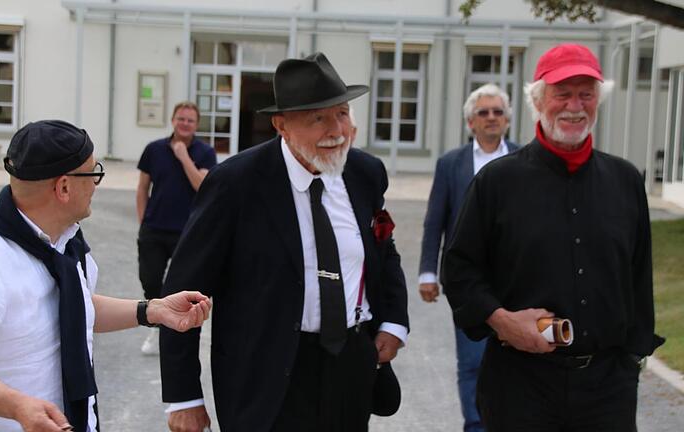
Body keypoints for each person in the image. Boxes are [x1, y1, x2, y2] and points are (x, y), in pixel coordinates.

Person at [159, 52, 409, 432]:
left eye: (342, 113)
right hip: (266, 376)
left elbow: (383, 251)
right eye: (318, 118)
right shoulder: (236, 184)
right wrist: (184, 397)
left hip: (350, 368)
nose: (336, 129)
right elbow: (183, 291)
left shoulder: (364, 173)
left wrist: (393, 321)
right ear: (282, 126)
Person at [0, 120, 212, 432]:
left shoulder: (66, 241)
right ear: (64, 187)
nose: (95, 185)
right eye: (93, 173)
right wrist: (18, 407)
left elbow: (77, 307)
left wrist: (152, 310)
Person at [442, 44, 663, 431]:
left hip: (608, 390)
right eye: (562, 93)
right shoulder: (497, 182)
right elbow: (459, 270)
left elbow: (639, 278)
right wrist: (501, 320)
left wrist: (632, 361)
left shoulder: (626, 181)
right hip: (521, 386)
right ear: (538, 101)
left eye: (586, 93)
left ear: (598, 100)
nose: (574, 106)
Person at [418, 83, 518, 432]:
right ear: (470, 122)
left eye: (498, 112)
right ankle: (476, 426)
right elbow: (435, 220)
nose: (492, 118)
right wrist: (428, 271)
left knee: (518, 359)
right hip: (468, 279)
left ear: (507, 119)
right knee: (472, 360)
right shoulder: (451, 164)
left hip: (517, 277)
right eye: (483, 112)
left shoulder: (525, 158)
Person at [136, 101, 216, 355]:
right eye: (181, 119)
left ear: (196, 124)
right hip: (155, 228)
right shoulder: (154, 149)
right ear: (173, 120)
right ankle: (158, 325)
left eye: (190, 120)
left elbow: (202, 186)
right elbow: (142, 187)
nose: (185, 124)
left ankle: (174, 333)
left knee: (182, 283)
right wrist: (143, 220)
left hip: (188, 231)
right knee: (150, 279)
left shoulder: (205, 152)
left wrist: (183, 157)